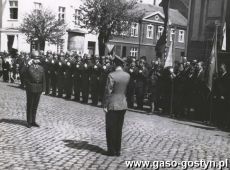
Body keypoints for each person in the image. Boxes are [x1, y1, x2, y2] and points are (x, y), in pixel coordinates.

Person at [103, 55, 130, 156]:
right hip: (123, 103)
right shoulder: (127, 75)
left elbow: (108, 91)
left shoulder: (112, 75)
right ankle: (118, 150)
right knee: (119, 128)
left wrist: (105, 105)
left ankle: (111, 150)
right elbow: (128, 90)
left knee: (110, 128)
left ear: (114, 64)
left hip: (113, 104)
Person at [24, 51, 45, 128]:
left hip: (38, 88)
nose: (37, 60)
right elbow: (22, 72)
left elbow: (44, 79)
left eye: (38, 58)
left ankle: (33, 121)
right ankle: (29, 121)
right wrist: (27, 65)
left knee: (35, 106)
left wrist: (43, 89)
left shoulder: (41, 68)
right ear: (32, 59)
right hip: (30, 87)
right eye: (35, 58)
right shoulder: (28, 67)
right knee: (30, 105)